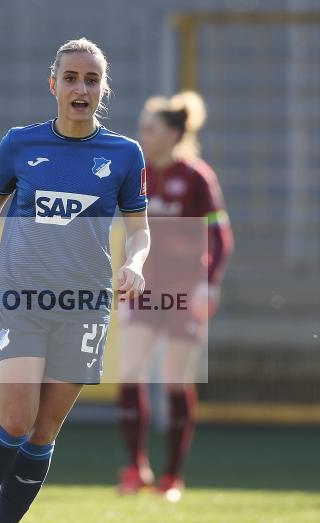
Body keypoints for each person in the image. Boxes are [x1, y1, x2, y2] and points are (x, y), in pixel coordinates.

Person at [0, 38, 150, 523]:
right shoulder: (20, 144)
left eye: (92, 80)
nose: (81, 89)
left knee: (43, 431)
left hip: (83, 309)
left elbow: (139, 227)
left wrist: (137, 262)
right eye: (72, 78)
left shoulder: (124, 154)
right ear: (51, 83)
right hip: (22, 300)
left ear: (103, 89)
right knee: (14, 418)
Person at [115, 91, 233, 501]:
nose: (142, 135)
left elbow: (221, 235)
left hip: (184, 290)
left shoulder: (197, 177)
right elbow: (129, 232)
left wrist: (209, 281)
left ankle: (172, 477)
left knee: (174, 378)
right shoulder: (139, 174)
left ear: (173, 134)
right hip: (145, 288)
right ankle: (135, 468)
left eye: (150, 129)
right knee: (130, 370)